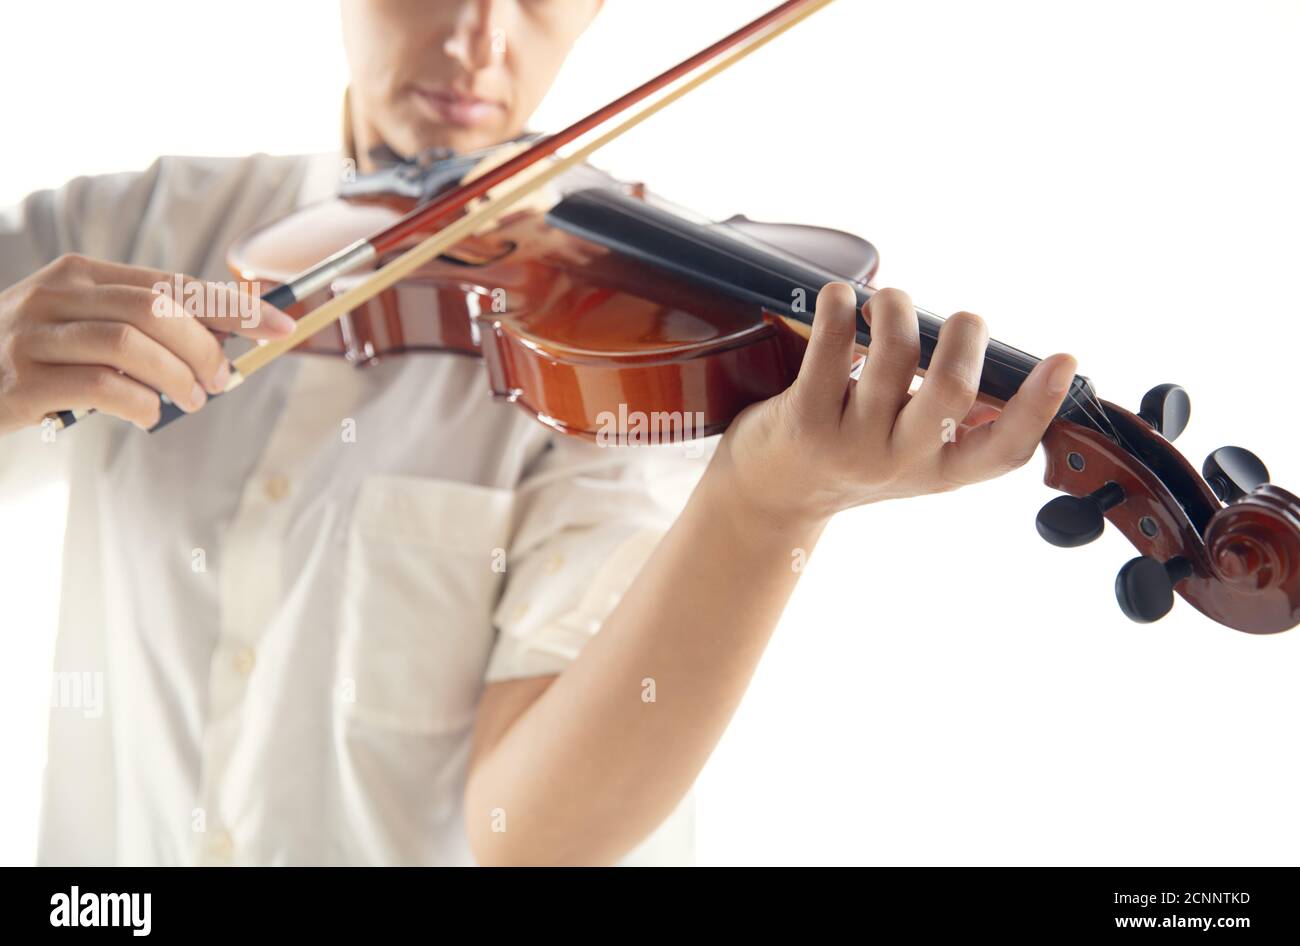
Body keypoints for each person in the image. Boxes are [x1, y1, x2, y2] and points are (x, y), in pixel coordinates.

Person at [0, 0, 1076, 866]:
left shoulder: (616, 343)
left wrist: (761, 504)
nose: (478, 39)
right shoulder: (116, 235)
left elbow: (531, 837)